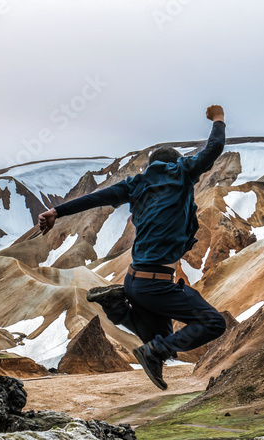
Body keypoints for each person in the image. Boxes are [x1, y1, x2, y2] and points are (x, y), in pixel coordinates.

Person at [38, 105, 228, 390]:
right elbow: (213, 149)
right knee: (213, 324)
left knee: (158, 340)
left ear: (151, 165)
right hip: (157, 286)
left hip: (135, 280)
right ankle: (133, 326)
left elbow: (96, 198)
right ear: (176, 164)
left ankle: (118, 307)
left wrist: (57, 211)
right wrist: (218, 118)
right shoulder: (182, 173)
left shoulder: (135, 185)